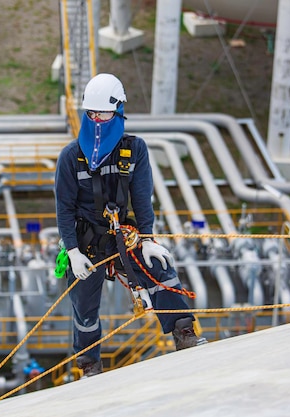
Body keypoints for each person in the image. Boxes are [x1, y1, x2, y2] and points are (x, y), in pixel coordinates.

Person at [54, 73, 201, 378]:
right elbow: (64, 208)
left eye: (104, 113)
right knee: (83, 305)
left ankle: (183, 333)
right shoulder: (71, 157)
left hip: (124, 235)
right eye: (91, 114)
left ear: (118, 111)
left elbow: (142, 197)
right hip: (86, 242)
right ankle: (89, 364)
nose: (97, 120)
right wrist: (72, 250)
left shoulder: (134, 150)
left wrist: (147, 239)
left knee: (160, 272)